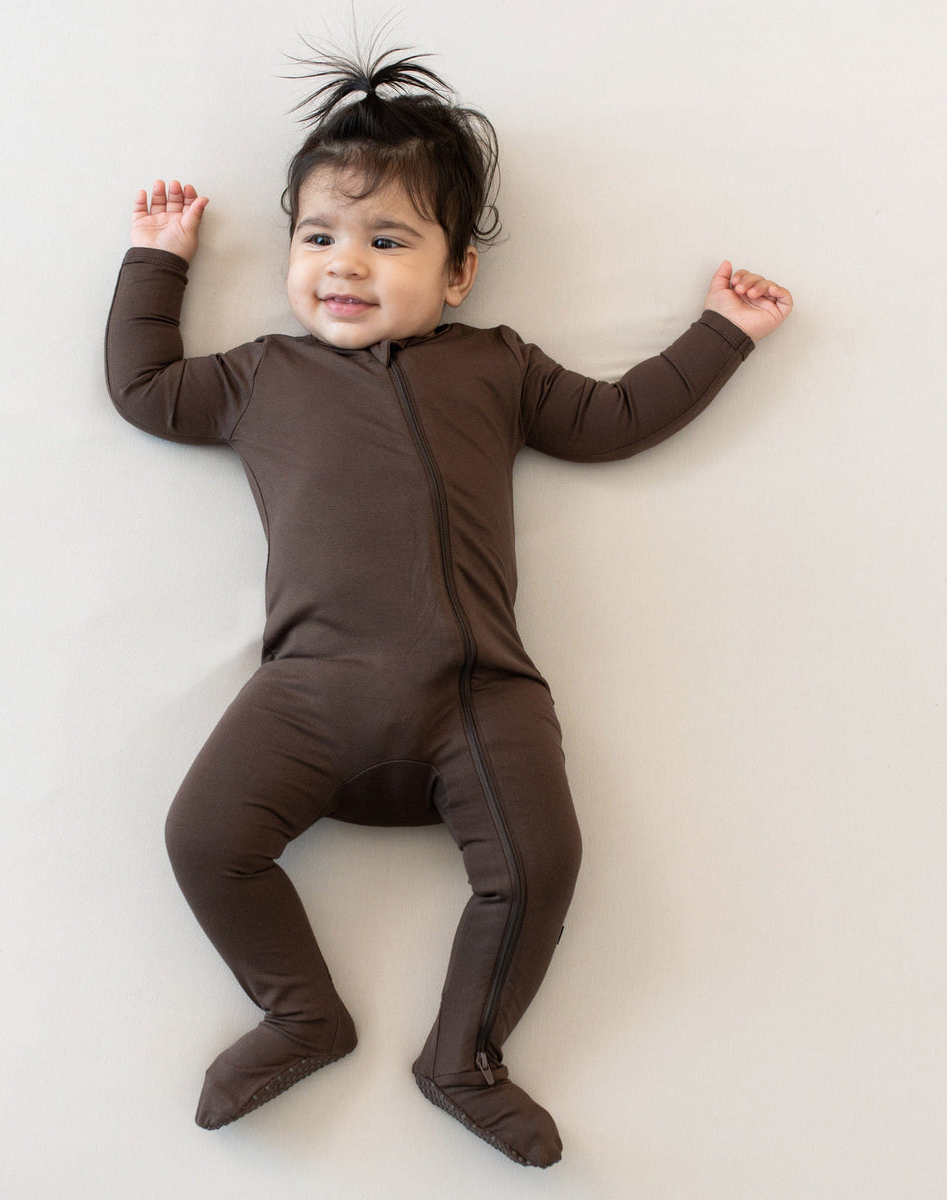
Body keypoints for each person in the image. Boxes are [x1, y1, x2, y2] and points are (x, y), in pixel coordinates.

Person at [103, 44, 792, 1169]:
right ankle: (300, 1014)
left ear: (457, 273)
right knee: (202, 836)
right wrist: (156, 260)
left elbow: (610, 421)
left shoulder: (497, 368)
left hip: (476, 697)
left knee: (543, 864)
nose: (347, 265)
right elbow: (141, 388)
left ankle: (463, 1056)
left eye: (389, 242)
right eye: (320, 237)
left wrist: (720, 333)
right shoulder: (255, 379)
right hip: (309, 693)